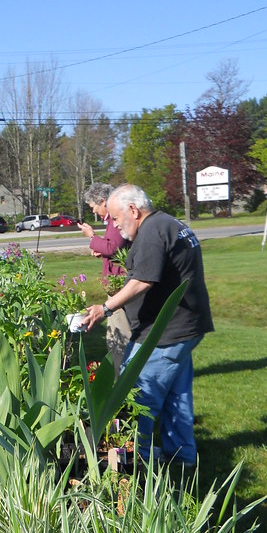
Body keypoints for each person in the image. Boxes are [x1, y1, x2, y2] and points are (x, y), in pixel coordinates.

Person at [84, 184, 213, 467]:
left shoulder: (152, 232)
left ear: (133, 210)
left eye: (116, 218)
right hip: (185, 327)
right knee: (176, 396)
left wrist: (105, 308)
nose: (115, 226)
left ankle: (133, 458)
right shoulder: (170, 223)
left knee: (137, 395)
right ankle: (181, 456)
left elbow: (143, 280)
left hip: (165, 333)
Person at [77, 181, 131, 375]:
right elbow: (112, 247)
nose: (94, 212)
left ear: (102, 200)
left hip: (119, 288)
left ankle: (122, 382)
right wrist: (101, 251)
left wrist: (91, 238)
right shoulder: (112, 220)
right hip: (118, 286)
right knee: (115, 335)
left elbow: (112, 247)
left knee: (118, 337)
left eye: (93, 207)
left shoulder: (115, 219)